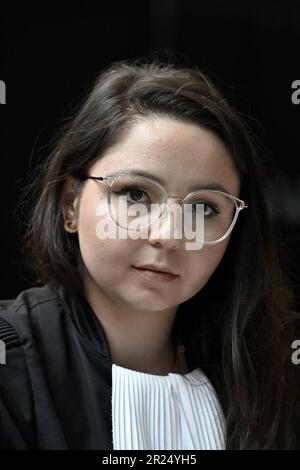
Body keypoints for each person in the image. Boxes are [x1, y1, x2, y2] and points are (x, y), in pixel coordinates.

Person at [0, 56, 299, 450]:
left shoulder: (273, 369)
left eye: (203, 208)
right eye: (135, 194)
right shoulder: (11, 362)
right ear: (70, 202)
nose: (169, 235)